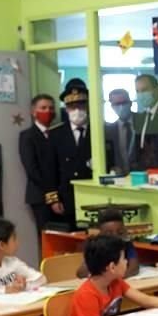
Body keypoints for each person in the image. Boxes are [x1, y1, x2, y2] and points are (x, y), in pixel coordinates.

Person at [49, 86, 92, 230]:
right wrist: (53, 200)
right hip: (67, 197)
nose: (77, 110)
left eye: (81, 105)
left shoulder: (100, 131)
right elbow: (50, 170)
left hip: (92, 194)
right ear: (66, 109)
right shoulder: (55, 134)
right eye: (72, 107)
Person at [19, 94, 63, 233]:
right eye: (43, 108)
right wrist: (52, 197)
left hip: (62, 194)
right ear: (33, 112)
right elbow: (32, 170)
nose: (48, 111)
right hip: (40, 196)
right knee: (48, 237)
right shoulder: (28, 136)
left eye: (51, 108)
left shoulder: (58, 134)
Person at [76, 208, 140, 279]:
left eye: (120, 232)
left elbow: (134, 268)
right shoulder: (96, 246)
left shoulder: (126, 243)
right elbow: (80, 273)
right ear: (100, 234)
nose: (115, 236)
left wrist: (118, 278)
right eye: (109, 233)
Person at [134, 74, 158, 169]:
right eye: (137, 91)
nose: (141, 94)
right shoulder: (141, 117)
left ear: (157, 89)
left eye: (144, 90)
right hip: (145, 172)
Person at [105, 88, 137, 175]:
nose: (121, 107)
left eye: (124, 103)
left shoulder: (143, 123)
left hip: (142, 177)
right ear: (112, 106)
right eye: (117, 104)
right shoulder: (107, 131)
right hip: (119, 181)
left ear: (130, 103)